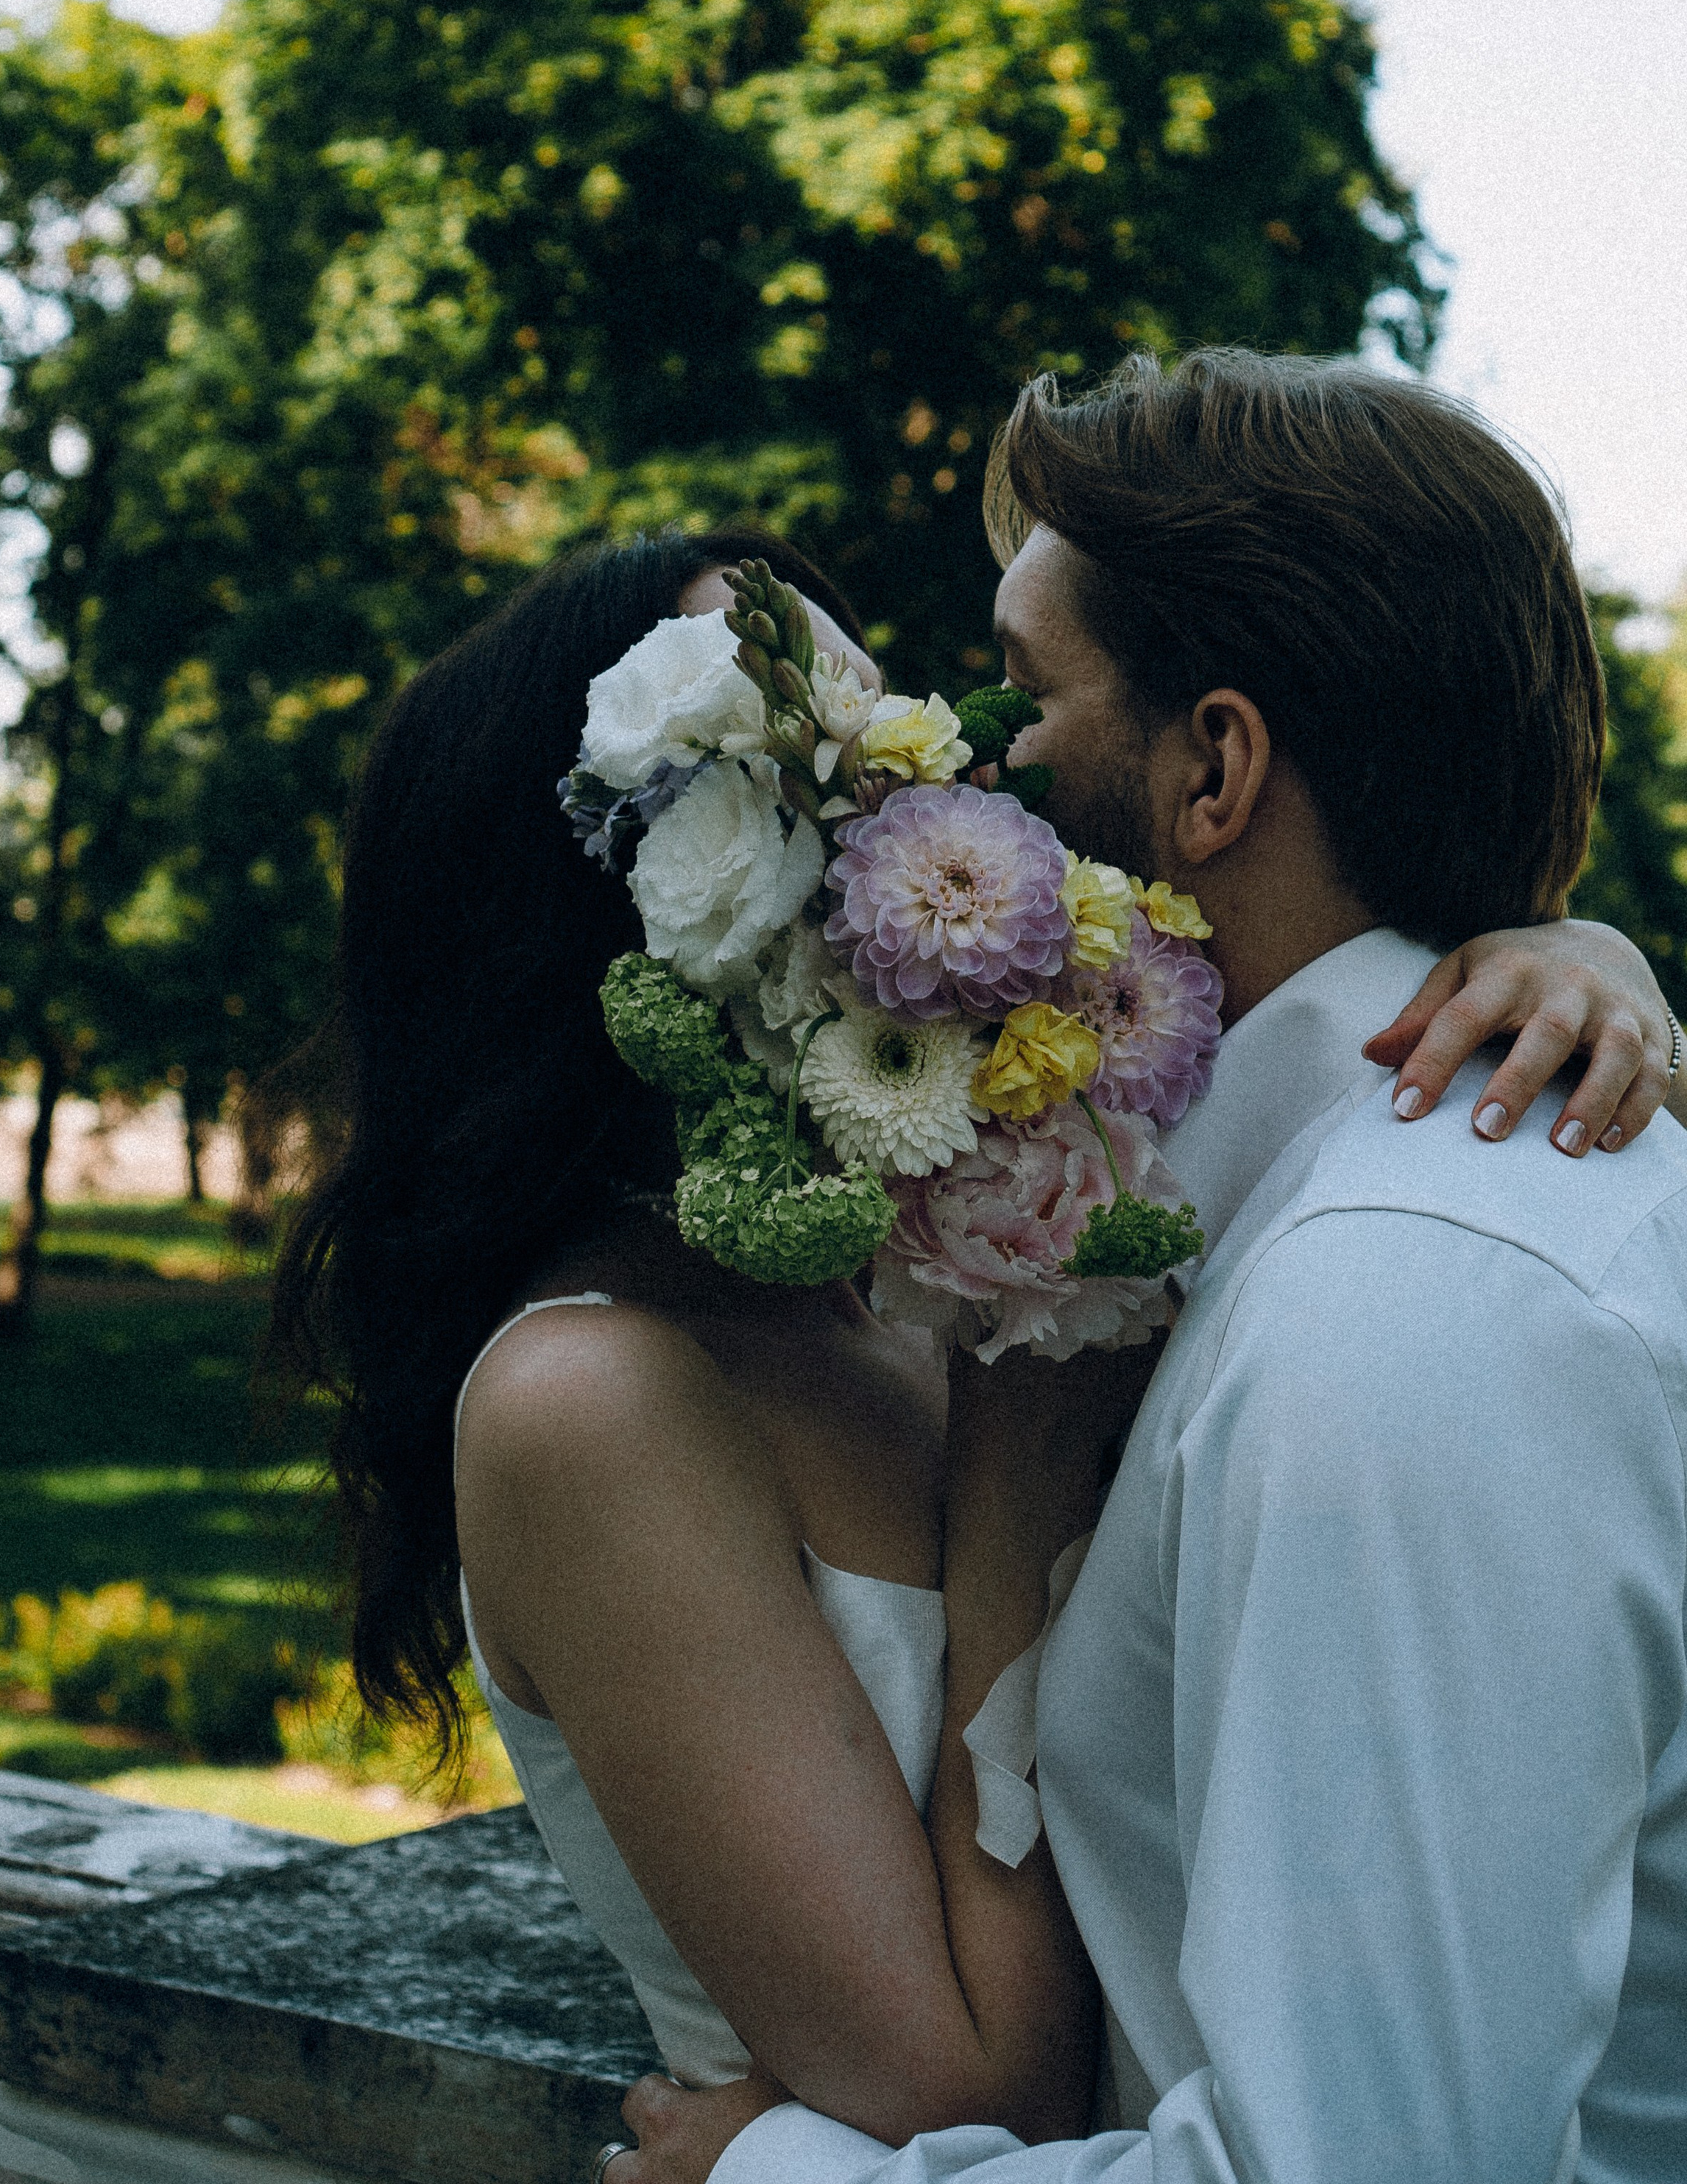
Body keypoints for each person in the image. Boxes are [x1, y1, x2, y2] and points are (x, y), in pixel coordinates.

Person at [266, 508, 1682, 2157]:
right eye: (797, 768)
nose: (906, 808)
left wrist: (1567, 954)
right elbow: (971, 2090)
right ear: (614, 880)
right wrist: (1014, 1478)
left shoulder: (923, 1254)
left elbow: (1297, 1057)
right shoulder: (590, 1399)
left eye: (879, 743)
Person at [618, 354, 1687, 2184]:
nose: (966, 767)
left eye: (1026, 695)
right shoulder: (1289, 1224)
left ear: (1211, 768)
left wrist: (775, 2178)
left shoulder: (1399, 1317)